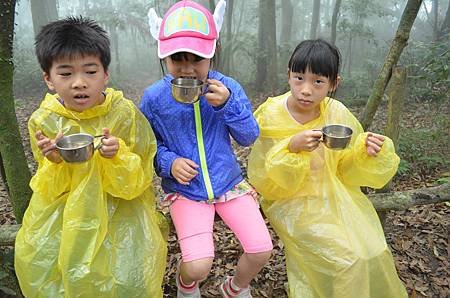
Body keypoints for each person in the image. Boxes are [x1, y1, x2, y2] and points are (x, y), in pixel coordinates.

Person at [14, 16, 167, 297]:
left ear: (105, 74)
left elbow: (139, 180)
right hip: (64, 218)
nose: (79, 83)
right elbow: (48, 188)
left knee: (127, 276)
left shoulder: (124, 113)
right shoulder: (43, 120)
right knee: (56, 276)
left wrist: (116, 155)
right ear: (48, 79)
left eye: (90, 71)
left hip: (121, 213)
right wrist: (54, 161)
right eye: (66, 73)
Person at [247, 39, 408, 297]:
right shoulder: (271, 113)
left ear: (334, 83)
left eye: (318, 82)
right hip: (291, 202)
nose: (306, 90)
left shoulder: (337, 113)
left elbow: (346, 169)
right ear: (288, 75)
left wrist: (365, 152)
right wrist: (292, 148)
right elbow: (263, 177)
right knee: (347, 260)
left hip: (337, 195)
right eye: (299, 78)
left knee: (373, 250)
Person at [141, 1, 272, 297]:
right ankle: (185, 284)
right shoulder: (154, 98)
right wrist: (169, 162)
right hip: (186, 190)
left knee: (261, 249)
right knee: (199, 266)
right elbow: (147, 147)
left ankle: (235, 287)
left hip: (228, 183)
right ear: (165, 58)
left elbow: (249, 136)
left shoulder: (227, 88)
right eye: (178, 59)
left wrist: (227, 105)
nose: (188, 69)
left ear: (211, 54)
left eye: (197, 59)